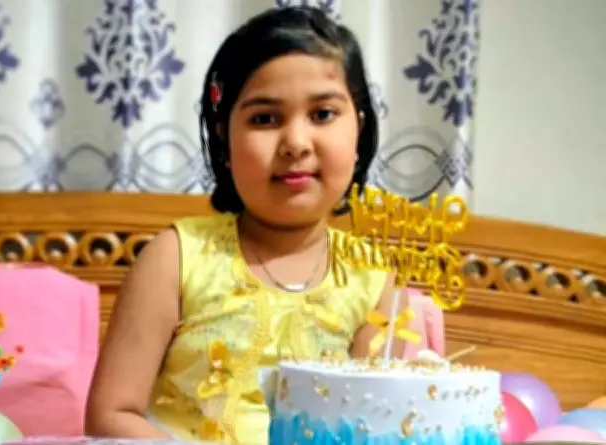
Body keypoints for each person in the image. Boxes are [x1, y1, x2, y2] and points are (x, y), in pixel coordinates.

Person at [85, 6, 402, 444]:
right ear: (223, 135)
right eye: (264, 119)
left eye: (323, 114)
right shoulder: (177, 257)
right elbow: (110, 415)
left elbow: (371, 426)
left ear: (359, 130)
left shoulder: (372, 275)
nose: (295, 143)